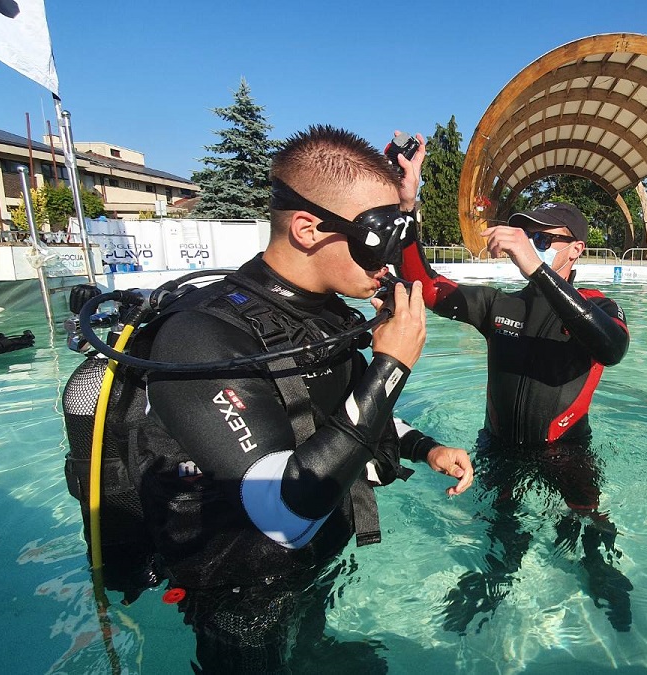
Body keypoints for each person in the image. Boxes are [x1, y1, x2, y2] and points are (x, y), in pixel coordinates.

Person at [134, 125, 474, 673]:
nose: (390, 260)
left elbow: (338, 410)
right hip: (246, 597)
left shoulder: (322, 317)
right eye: (377, 239)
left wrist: (424, 448)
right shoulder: (202, 338)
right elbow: (281, 511)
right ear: (308, 228)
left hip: (311, 564)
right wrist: (391, 366)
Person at [395, 138, 632, 633]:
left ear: (575, 249)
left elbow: (610, 347)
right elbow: (425, 283)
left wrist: (536, 267)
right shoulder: (499, 306)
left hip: (564, 451)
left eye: (543, 239)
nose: (530, 244)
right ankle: (496, 578)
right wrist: (407, 206)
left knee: (587, 519)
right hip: (498, 447)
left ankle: (600, 571)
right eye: (526, 236)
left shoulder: (599, 306)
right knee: (502, 526)